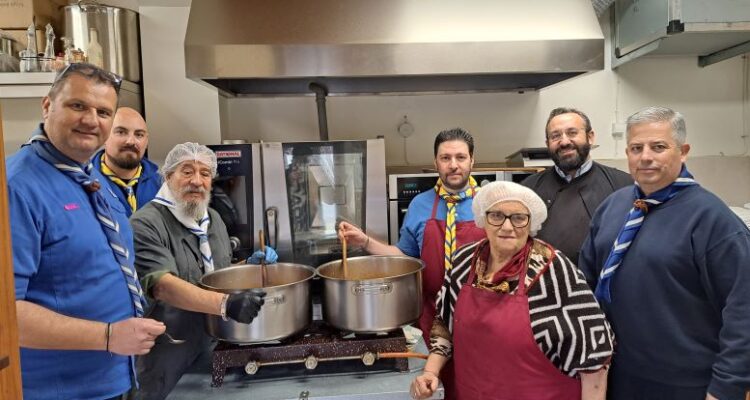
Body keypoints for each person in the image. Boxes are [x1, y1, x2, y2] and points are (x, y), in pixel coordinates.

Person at [8, 63, 166, 400]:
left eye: (103, 112)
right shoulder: (17, 188)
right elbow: (6, 314)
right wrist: (108, 336)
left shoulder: (88, 177)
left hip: (112, 377)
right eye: (78, 105)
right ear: (47, 106)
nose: (91, 120)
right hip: (58, 390)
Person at [578, 106, 750, 400]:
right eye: (636, 148)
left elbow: (743, 311)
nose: (645, 157)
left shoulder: (713, 220)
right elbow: (586, 284)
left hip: (687, 385)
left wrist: (726, 387)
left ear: (683, 152)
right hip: (617, 378)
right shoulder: (612, 207)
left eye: (658, 147)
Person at [411, 181, 613, 400]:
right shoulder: (464, 261)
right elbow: (444, 323)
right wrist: (431, 371)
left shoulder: (553, 271)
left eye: (518, 218)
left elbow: (595, 358)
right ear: (483, 219)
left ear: (530, 223)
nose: (507, 227)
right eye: (497, 215)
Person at [339, 128, 485, 398]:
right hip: (431, 316)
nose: (453, 165)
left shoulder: (490, 205)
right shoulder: (420, 204)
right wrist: (364, 241)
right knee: (434, 387)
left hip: (481, 317)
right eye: (445, 158)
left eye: (461, 157)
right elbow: (405, 257)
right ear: (435, 162)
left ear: (472, 161)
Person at [129, 142, 268, 400]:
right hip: (168, 355)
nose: (196, 181)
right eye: (187, 171)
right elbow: (163, 286)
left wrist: (250, 266)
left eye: (205, 173)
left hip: (212, 345)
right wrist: (226, 304)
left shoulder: (212, 220)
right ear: (168, 176)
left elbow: (215, 274)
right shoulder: (145, 224)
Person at [522, 107, 632, 264]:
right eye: (555, 136)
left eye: (572, 133)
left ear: (590, 137)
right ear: (547, 144)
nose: (564, 142)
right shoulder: (528, 189)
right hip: (545, 278)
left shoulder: (624, 186)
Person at [92, 107, 162, 216]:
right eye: (121, 132)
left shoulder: (162, 186)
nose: (131, 141)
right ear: (104, 136)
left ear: (146, 141)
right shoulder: (84, 182)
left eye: (139, 134)